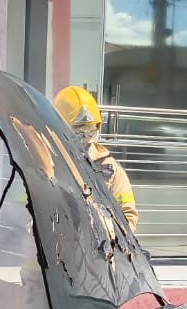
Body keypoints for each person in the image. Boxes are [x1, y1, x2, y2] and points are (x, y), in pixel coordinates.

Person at [52, 84, 139, 229]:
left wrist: (110, 235)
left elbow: (128, 216)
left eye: (90, 130)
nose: (86, 137)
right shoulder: (46, 161)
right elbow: (22, 211)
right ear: (60, 128)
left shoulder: (111, 170)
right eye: (79, 131)